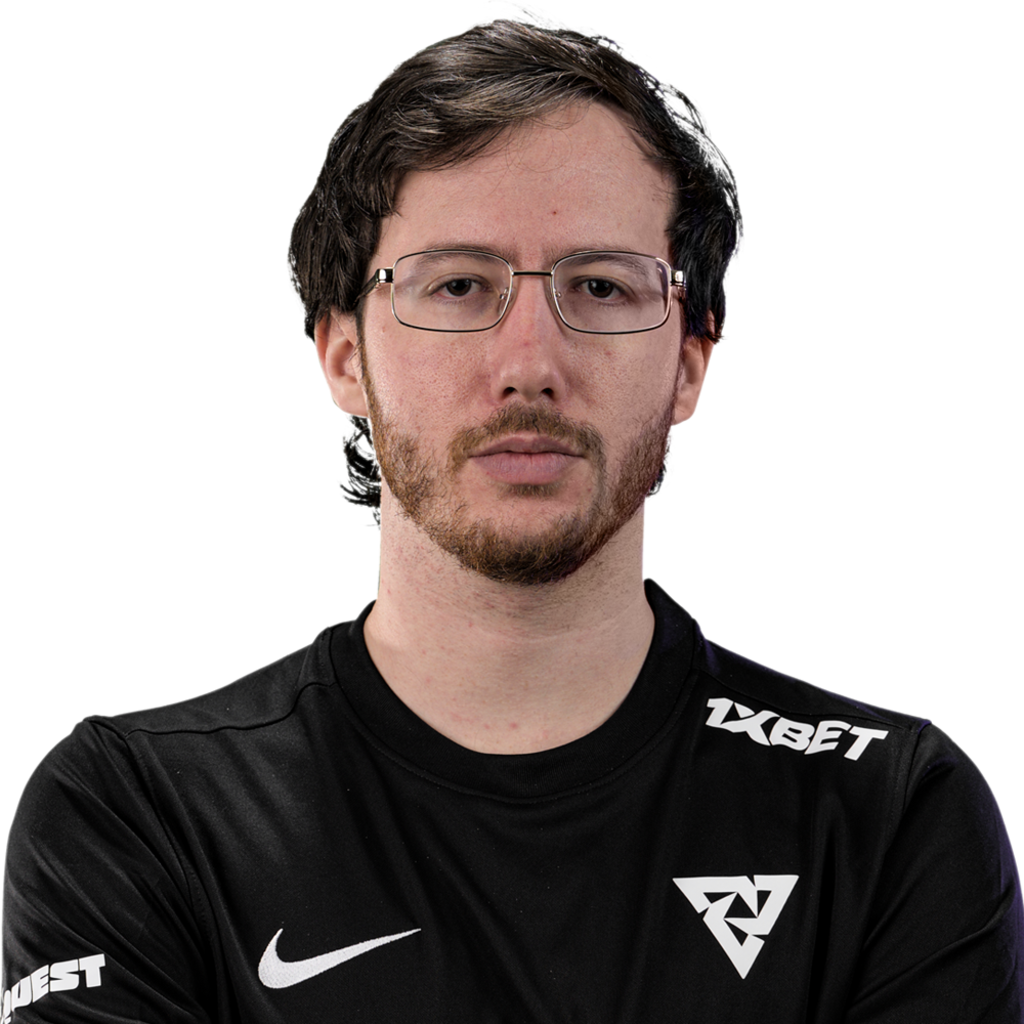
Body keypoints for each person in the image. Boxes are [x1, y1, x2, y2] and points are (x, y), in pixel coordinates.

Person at [3, 13, 1021, 1024]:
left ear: (690, 363)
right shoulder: (138, 807)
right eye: (457, 285)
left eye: (600, 286)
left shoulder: (889, 811)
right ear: (343, 358)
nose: (529, 363)